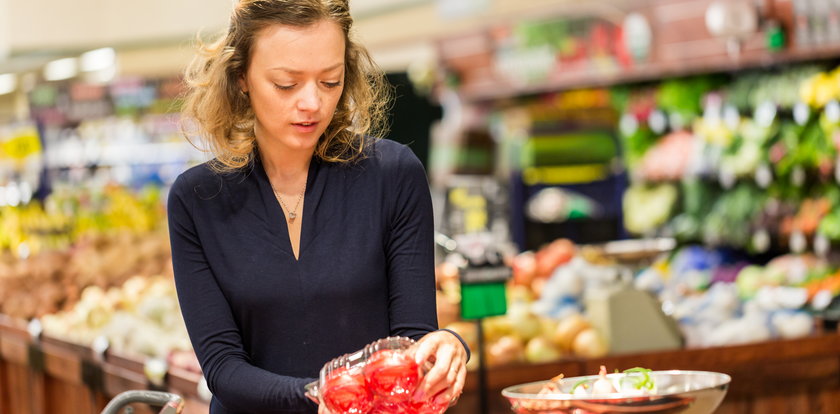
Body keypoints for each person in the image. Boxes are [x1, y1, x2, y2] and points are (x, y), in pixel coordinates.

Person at [168, 1, 469, 413]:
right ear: (241, 77)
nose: (312, 103)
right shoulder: (197, 198)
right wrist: (326, 398)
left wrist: (447, 348)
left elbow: (412, 339)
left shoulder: (393, 174)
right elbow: (222, 367)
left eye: (330, 81)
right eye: (286, 84)